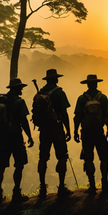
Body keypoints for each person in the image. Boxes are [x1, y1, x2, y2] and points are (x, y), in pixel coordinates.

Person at [0, 78, 34, 204]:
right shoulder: (19, 102)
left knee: (1, 166)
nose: (21, 89)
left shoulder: (2, 101)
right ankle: (16, 193)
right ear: (17, 88)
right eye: (20, 87)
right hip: (16, 136)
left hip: (3, 137)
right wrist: (29, 136)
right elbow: (24, 121)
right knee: (19, 164)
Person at [74, 74, 108, 194]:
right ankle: (104, 183)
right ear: (96, 84)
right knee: (104, 158)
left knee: (88, 158)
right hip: (99, 131)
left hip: (86, 132)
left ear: (87, 84)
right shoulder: (103, 98)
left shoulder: (82, 99)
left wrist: (75, 132)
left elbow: (77, 116)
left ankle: (92, 186)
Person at [35, 68, 72, 197]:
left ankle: (42, 188)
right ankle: (61, 187)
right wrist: (68, 129)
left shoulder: (40, 93)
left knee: (43, 158)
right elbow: (64, 113)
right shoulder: (59, 93)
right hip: (57, 128)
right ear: (56, 79)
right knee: (62, 156)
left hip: (44, 129)